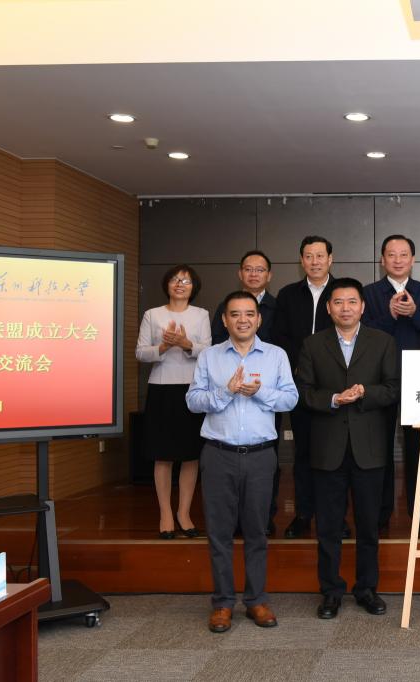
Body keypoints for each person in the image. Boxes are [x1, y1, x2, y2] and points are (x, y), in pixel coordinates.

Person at [186, 291, 299, 633]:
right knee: (219, 533)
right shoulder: (209, 356)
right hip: (218, 454)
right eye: (235, 314)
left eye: (249, 313)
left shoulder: (276, 355)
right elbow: (193, 400)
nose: (243, 320)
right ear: (224, 320)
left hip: (261, 456)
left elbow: (291, 399)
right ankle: (222, 603)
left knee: (256, 532)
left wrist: (258, 392)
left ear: (259, 319)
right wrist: (227, 391)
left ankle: (256, 600)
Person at [297, 278, 400, 619]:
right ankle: (331, 591)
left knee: (369, 525)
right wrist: (333, 399)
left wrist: (365, 393)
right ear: (328, 308)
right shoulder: (313, 344)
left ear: (363, 306)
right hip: (328, 448)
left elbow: (393, 388)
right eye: (338, 302)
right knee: (328, 527)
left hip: (369, 448)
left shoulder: (383, 342)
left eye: (352, 302)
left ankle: (367, 588)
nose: (345, 308)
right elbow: (303, 391)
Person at [362, 235, 420, 536]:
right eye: (391, 255)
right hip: (378, 380)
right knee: (378, 451)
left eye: (403, 254)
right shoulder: (369, 292)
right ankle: (380, 516)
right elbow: (363, 334)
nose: (397, 260)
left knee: (418, 453)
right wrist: (391, 314)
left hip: (417, 380)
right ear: (382, 260)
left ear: (413, 259)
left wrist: (415, 313)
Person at [135, 264, 211, 539]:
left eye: (186, 281)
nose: (180, 284)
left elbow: (208, 351)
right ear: (167, 285)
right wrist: (165, 346)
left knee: (191, 455)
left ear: (194, 287)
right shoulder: (152, 314)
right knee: (163, 454)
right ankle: (165, 513)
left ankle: (184, 513)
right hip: (161, 388)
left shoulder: (201, 314)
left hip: (192, 389)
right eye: (175, 280)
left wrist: (185, 343)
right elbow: (140, 353)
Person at [210, 250, 280, 537]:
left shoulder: (278, 306)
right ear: (240, 273)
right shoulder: (224, 307)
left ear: (269, 275)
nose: (253, 274)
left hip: (267, 389)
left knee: (266, 460)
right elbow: (217, 344)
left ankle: (263, 516)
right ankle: (234, 520)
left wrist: (266, 381)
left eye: (259, 269)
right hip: (227, 393)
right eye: (248, 269)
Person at [271, 235, 337, 539]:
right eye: (309, 256)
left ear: (330, 259)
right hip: (300, 384)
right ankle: (303, 514)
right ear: (301, 261)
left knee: (335, 455)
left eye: (320, 256)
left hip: (335, 386)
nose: (315, 261)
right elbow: (280, 336)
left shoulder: (341, 292)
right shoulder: (288, 294)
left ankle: (334, 517)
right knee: (304, 454)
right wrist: (302, 365)